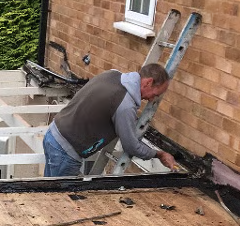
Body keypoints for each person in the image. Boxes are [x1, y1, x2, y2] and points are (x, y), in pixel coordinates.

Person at [42, 63, 179, 177]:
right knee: (59, 200)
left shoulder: (112, 74)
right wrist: (159, 154)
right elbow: (131, 146)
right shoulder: (126, 106)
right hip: (65, 151)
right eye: (155, 94)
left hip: (54, 134)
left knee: (47, 193)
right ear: (148, 82)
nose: (152, 99)